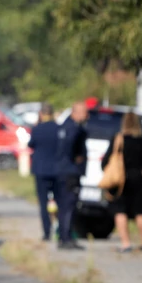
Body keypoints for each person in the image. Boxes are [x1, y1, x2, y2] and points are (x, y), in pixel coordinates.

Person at [101, 112, 142, 251]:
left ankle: (126, 243)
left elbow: (106, 161)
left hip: (120, 180)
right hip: (138, 180)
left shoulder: (118, 139)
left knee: (120, 211)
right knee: (140, 212)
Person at [54, 102, 89, 250]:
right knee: (68, 206)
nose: (87, 115)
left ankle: (66, 236)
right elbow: (70, 145)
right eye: (84, 112)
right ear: (76, 112)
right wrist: (76, 157)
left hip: (63, 171)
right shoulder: (74, 128)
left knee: (66, 206)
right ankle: (66, 238)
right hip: (70, 172)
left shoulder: (64, 126)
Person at [27, 104, 61, 241]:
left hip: (41, 170)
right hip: (57, 170)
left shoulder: (37, 129)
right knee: (59, 201)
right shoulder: (58, 128)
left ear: (41, 114)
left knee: (43, 203)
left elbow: (31, 144)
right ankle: (61, 229)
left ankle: (47, 232)